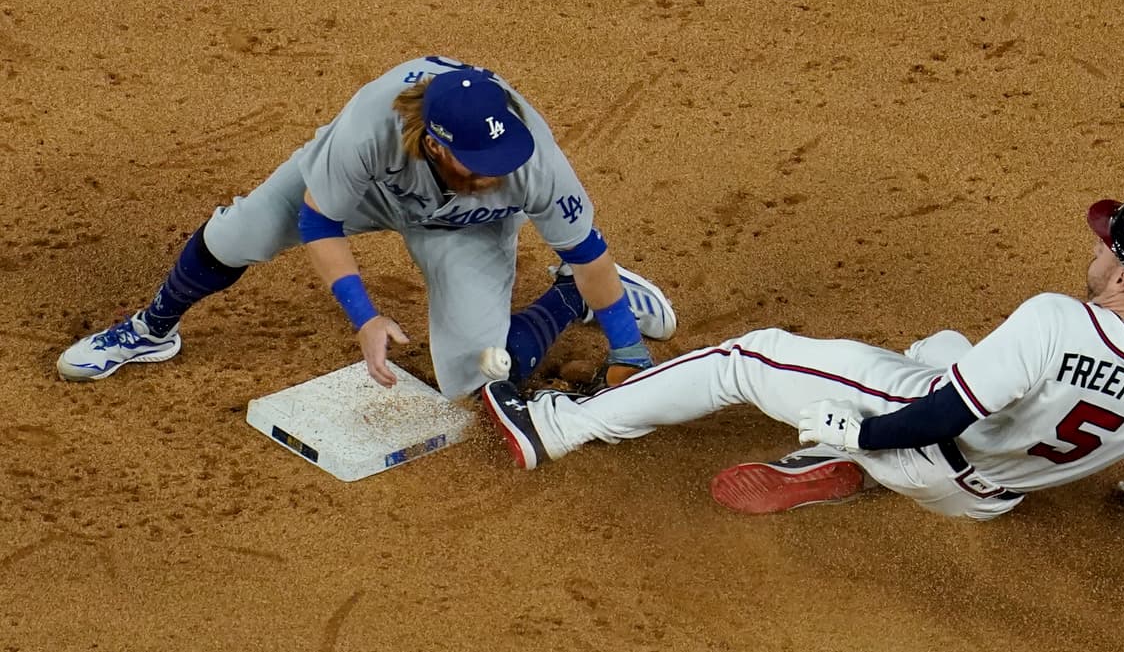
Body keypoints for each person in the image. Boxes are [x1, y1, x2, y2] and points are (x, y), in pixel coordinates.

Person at [480, 196, 1124, 532]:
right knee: (943, 346)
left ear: (1123, 277)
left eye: (1107, 245)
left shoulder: (1056, 319)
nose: (1095, 249)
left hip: (917, 436)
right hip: (989, 500)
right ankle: (830, 464)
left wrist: (861, 437)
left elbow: (945, 413)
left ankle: (556, 427)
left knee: (751, 357)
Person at [57, 55, 677, 398]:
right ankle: (150, 331)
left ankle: (566, 297)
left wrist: (628, 351)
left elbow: (589, 250)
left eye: (502, 161)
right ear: (433, 143)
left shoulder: (530, 160)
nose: (495, 173)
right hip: (371, 193)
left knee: (475, 377)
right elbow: (319, 217)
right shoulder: (368, 127)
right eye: (477, 163)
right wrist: (364, 315)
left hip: (464, 226)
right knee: (239, 233)